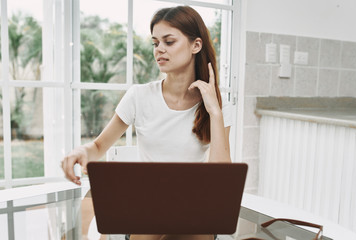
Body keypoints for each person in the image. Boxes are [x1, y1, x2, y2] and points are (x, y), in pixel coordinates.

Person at [62, 5, 232, 240]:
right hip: (149, 205)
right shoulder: (139, 96)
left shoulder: (217, 104)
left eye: (169, 42)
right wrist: (82, 150)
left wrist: (214, 111)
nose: (159, 49)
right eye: (155, 43)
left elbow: (220, 178)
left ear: (196, 45)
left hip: (194, 207)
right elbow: (100, 146)